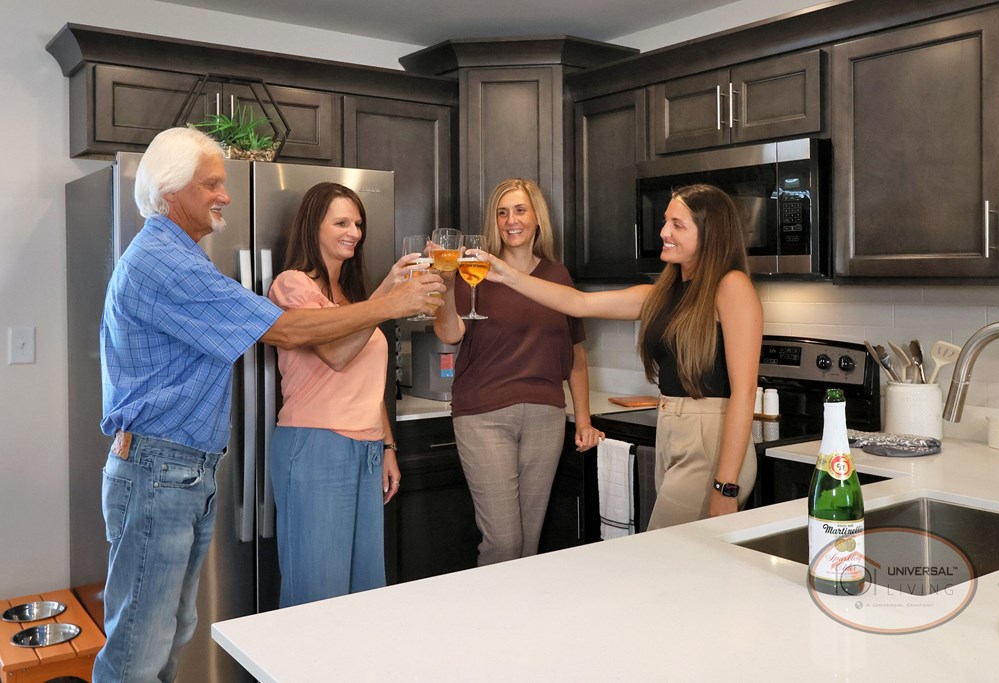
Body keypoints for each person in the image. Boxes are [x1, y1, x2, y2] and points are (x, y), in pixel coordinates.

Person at [95, 127, 441, 683]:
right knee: (140, 646)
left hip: (181, 468)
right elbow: (283, 330)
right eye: (211, 183)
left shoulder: (181, 255)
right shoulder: (166, 260)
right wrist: (389, 302)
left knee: (166, 633)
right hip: (161, 467)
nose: (225, 196)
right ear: (170, 189)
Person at [475, 184, 762, 528]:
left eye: (677, 225)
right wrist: (506, 275)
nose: (663, 232)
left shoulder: (731, 287)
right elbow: (579, 303)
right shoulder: (666, 293)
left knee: (662, 551)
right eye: (665, 221)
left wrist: (726, 486)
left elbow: (744, 393)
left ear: (710, 233)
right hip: (673, 431)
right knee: (684, 565)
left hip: (711, 438)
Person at [433, 178, 604, 566]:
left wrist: (583, 419)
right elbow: (449, 333)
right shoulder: (473, 270)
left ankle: (518, 625)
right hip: (483, 415)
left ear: (536, 218)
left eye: (520, 210)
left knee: (529, 544)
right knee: (504, 542)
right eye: (502, 212)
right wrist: (445, 283)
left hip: (545, 415)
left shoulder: (558, 276)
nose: (512, 220)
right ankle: (488, 625)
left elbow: (576, 354)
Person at [268, 182, 411, 607]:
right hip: (315, 446)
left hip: (365, 448)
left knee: (363, 593)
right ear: (314, 225)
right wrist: (389, 299)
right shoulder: (292, 285)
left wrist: (386, 445)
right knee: (317, 594)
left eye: (359, 223)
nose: (354, 231)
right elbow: (336, 355)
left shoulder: (352, 298)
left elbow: (368, 382)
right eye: (342, 222)